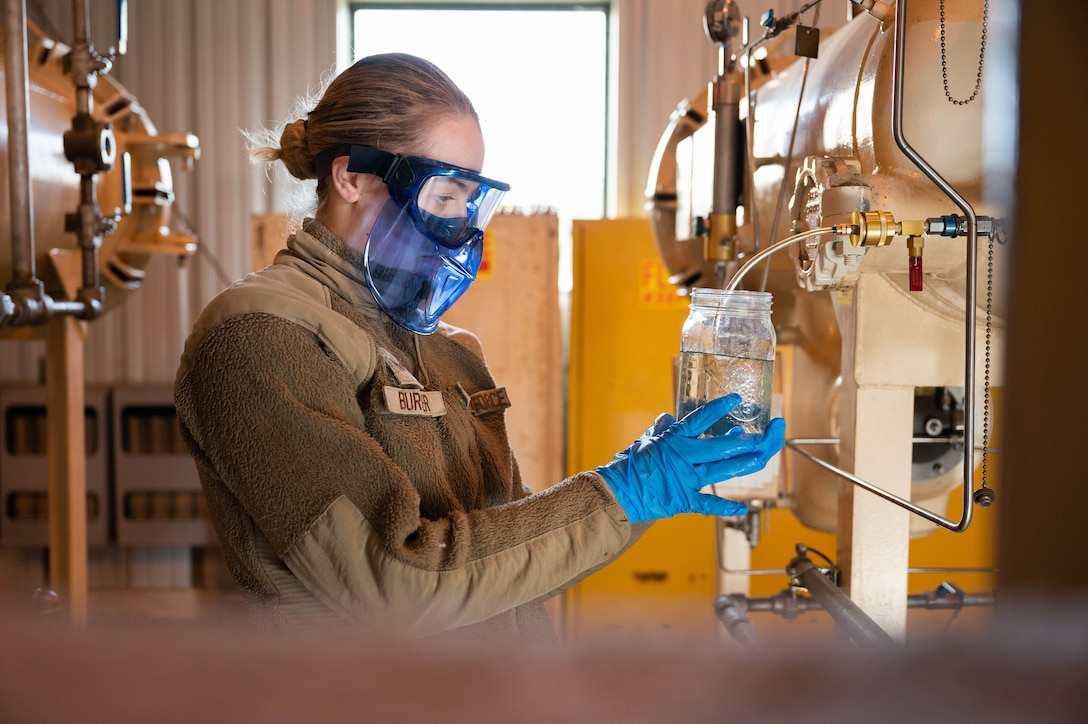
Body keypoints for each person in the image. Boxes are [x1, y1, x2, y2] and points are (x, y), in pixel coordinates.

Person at [174, 53, 786, 641]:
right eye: (444, 196)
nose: (463, 228)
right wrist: (620, 492)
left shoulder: (448, 351)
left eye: (471, 202)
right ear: (352, 177)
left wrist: (637, 494)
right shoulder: (260, 336)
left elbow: (511, 568)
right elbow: (395, 584)